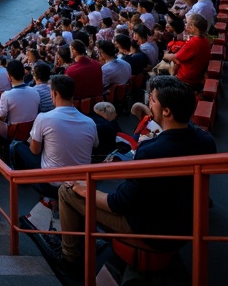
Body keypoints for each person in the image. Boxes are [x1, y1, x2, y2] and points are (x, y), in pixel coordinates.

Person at [56, 76, 216, 274]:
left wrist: (83, 189)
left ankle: (70, 259)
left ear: (167, 111)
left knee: (67, 190)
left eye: (154, 100)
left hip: (151, 230)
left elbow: (118, 203)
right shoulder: (206, 141)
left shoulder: (150, 151)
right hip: (186, 224)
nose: (149, 102)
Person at [9, 74, 97, 199]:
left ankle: (19, 181)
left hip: (52, 183)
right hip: (82, 180)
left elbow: (35, 150)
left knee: (16, 145)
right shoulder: (90, 122)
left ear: (54, 94)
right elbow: (95, 145)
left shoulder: (44, 118)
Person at [0, 59, 41, 138]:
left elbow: (0, 117)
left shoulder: (6, 95)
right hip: (32, 132)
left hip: (15, 134)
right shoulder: (35, 92)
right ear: (24, 73)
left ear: (8, 76)